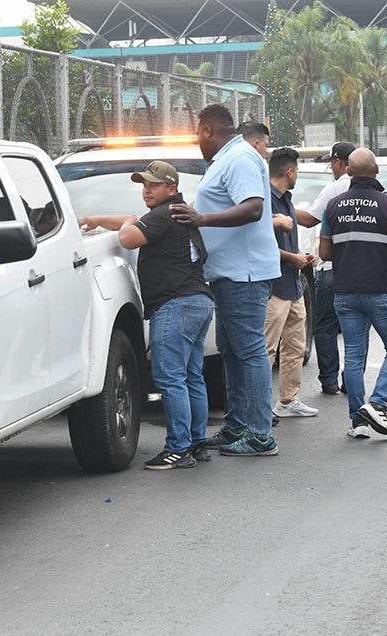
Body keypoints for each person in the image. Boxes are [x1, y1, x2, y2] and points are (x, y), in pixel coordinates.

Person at [79, 161, 214, 470]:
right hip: (198, 303)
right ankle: (196, 443)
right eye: (144, 185)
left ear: (171, 188)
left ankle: (178, 449)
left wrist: (127, 223)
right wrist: (95, 220)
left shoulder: (163, 215)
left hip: (175, 306)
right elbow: (132, 222)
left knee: (170, 378)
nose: (146, 190)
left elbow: (128, 237)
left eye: (153, 185)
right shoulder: (174, 212)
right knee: (191, 376)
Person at [170, 104, 281, 457]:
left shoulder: (240, 159)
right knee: (232, 352)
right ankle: (237, 426)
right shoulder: (227, 160)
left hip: (244, 274)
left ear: (205, 130)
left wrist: (201, 219)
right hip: (227, 273)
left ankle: (261, 435)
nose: (197, 144)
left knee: (249, 352)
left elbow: (253, 208)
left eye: (196, 136)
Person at [319, 148, 387, 438]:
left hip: (345, 291)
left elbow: (324, 252)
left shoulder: (332, 206)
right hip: (380, 290)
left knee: (355, 355)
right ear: (377, 170)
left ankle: (358, 422)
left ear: (348, 171)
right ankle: (377, 404)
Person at [295, 141, 356, 394]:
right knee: (355, 327)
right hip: (360, 270)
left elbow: (310, 220)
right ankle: (351, 380)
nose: (332, 167)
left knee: (326, 325)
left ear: (339, 163)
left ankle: (330, 380)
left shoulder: (335, 189)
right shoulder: (375, 193)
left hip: (332, 268)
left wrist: (279, 209)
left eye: (332, 162)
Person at [264, 148, 318, 418]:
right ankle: (261, 407)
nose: (296, 175)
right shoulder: (264, 201)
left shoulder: (286, 200)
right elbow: (260, 246)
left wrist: (303, 258)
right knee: (267, 349)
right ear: (289, 172)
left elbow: (285, 243)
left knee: (295, 346)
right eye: (296, 170)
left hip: (293, 285)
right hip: (273, 288)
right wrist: (292, 258)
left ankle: (287, 401)